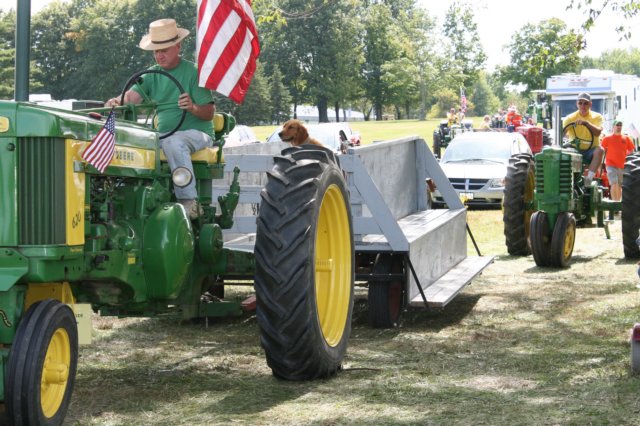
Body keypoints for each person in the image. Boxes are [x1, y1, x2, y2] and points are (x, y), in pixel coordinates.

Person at [106, 18, 215, 219]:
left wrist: (192, 107)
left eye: (164, 50)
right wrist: (116, 101)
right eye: (156, 51)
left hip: (197, 134)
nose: (159, 55)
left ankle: (189, 201)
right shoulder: (151, 75)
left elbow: (209, 113)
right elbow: (131, 97)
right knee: (133, 144)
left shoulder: (193, 72)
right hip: (164, 135)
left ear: (178, 46)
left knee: (175, 142)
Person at [562, 92, 604, 186]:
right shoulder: (570, 118)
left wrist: (587, 124)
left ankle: (588, 180)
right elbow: (562, 133)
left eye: (585, 103)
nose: (583, 106)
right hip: (574, 149)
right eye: (580, 103)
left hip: (591, 151)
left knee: (600, 150)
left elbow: (598, 133)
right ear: (577, 104)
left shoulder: (597, 117)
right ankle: (568, 181)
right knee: (565, 152)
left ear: (590, 104)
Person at [600, 120, 635, 201]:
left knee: (619, 185)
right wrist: (600, 164)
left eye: (620, 125)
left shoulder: (626, 138)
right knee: (614, 183)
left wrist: (628, 158)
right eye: (617, 125)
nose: (619, 127)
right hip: (610, 164)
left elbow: (631, 151)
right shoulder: (607, 138)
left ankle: (618, 203)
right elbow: (602, 150)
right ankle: (614, 203)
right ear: (613, 127)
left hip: (622, 165)